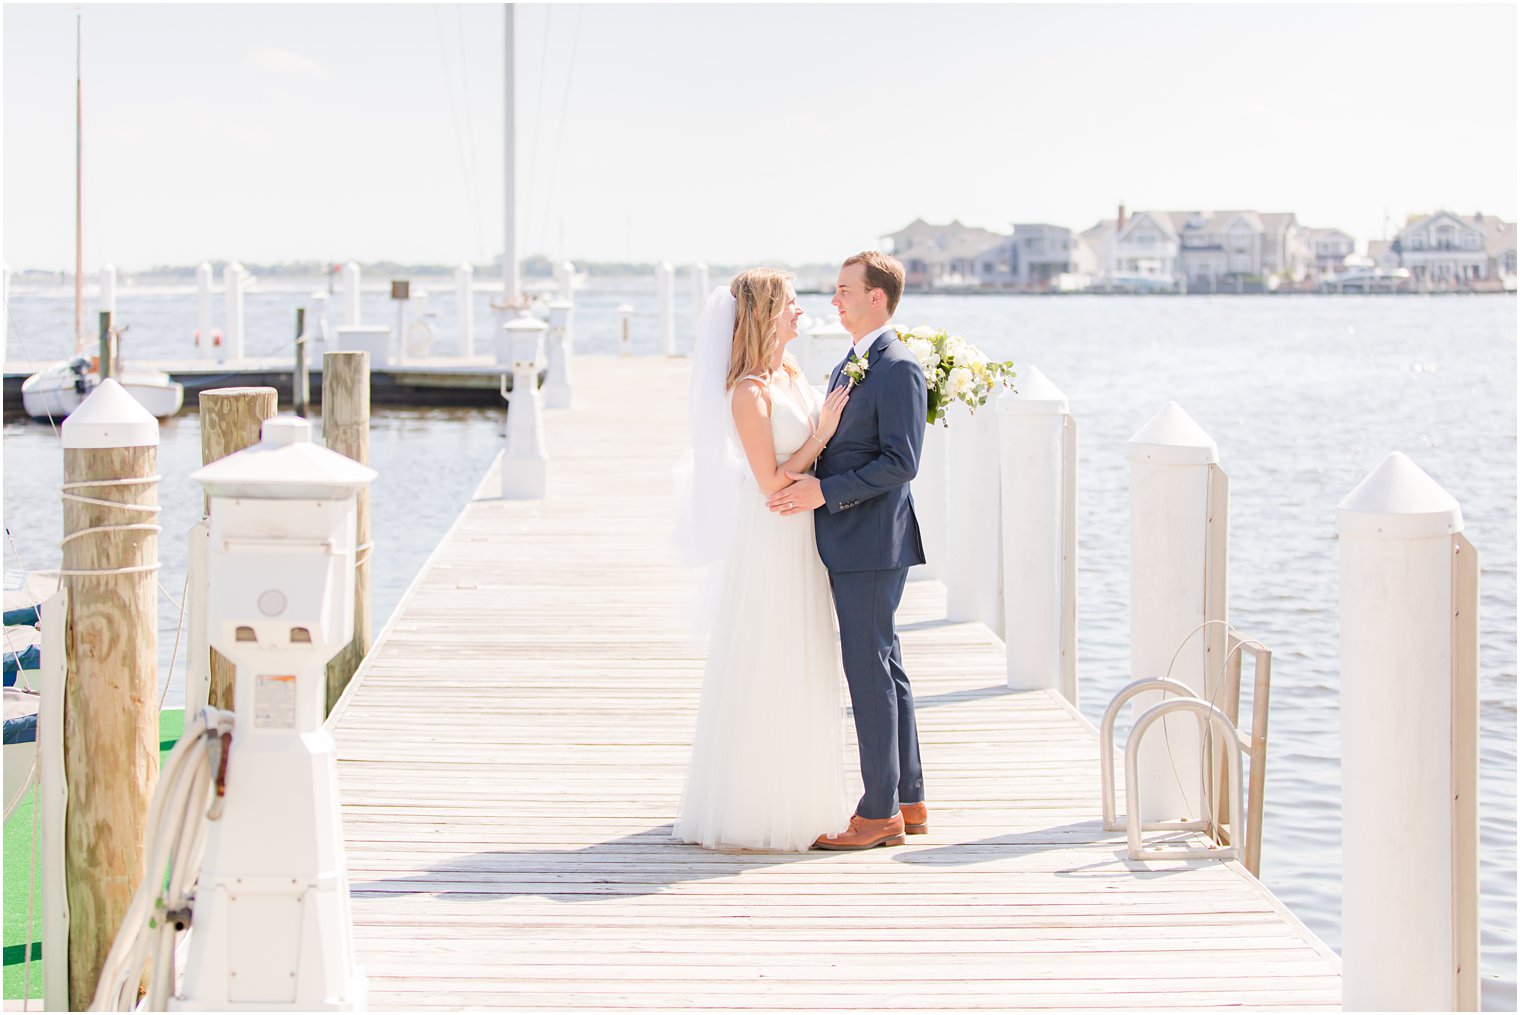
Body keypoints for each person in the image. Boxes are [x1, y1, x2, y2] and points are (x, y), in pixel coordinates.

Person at [673, 268, 853, 852]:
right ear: (766, 313)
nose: (803, 310)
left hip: (802, 531)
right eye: (793, 303)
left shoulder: (794, 373)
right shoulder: (748, 391)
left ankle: (803, 795)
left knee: (804, 652)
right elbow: (770, 478)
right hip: (772, 532)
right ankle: (754, 806)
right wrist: (822, 435)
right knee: (770, 652)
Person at [767, 251, 928, 851]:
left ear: (876, 297)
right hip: (855, 540)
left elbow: (901, 462)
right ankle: (907, 799)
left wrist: (822, 492)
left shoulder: (897, 367)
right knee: (885, 666)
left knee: (868, 672)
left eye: (843, 290)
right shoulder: (852, 363)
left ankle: (877, 813)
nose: (833, 300)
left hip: (871, 540)